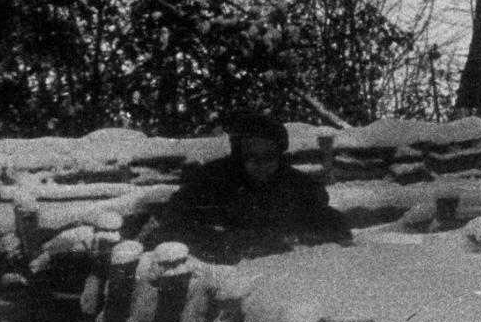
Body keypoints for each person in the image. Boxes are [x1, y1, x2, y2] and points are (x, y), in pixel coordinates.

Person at [143, 109, 351, 263]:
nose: (261, 164)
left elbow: (332, 223)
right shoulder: (211, 181)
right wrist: (230, 242)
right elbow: (174, 226)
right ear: (239, 154)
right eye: (252, 156)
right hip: (222, 279)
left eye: (269, 156)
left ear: (280, 154)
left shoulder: (299, 186)